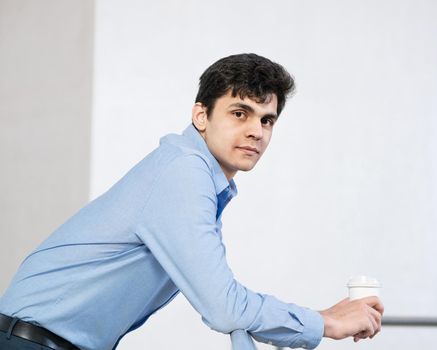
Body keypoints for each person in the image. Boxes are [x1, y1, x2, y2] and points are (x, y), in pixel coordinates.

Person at [0, 53, 384, 350]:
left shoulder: (200, 180)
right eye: (240, 113)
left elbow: (225, 307)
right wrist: (323, 323)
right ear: (201, 115)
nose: (256, 131)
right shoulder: (184, 171)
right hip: (28, 342)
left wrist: (316, 322)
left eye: (267, 120)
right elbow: (223, 306)